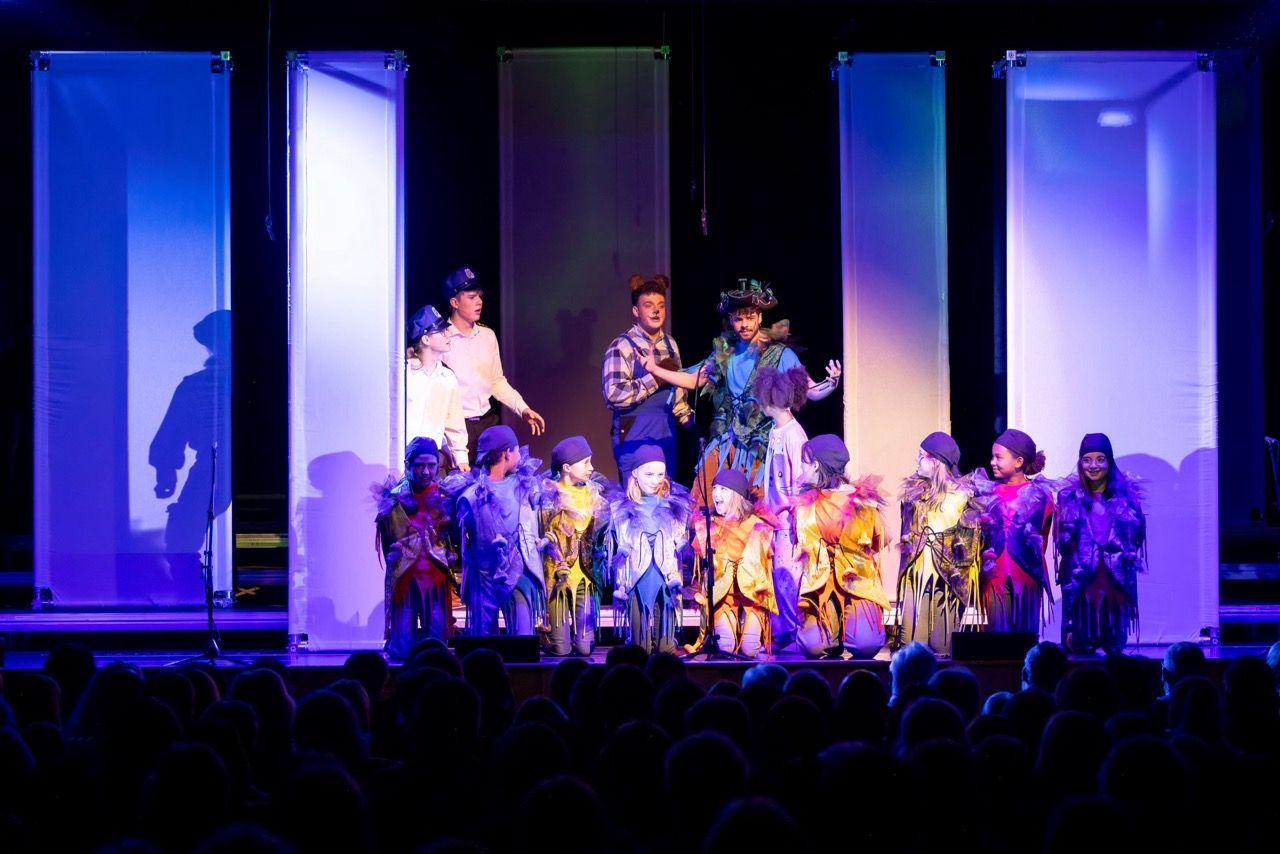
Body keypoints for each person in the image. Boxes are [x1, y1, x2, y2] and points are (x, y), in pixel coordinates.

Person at [639, 278, 841, 503]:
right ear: (731, 320)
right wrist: (654, 369)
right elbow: (694, 379)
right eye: (738, 319)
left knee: (756, 503)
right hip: (728, 438)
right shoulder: (726, 352)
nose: (744, 325)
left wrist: (830, 383)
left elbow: (811, 390)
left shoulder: (779, 354)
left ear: (760, 317)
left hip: (762, 443)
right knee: (704, 494)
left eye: (750, 318)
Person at [792, 434, 889, 658]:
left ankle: (852, 626)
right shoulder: (806, 505)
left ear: (816, 466)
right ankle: (831, 633)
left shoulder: (863, 502)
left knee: (866, 645)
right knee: (812, 647)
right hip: (822, 584)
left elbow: (882, 539)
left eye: (804, 463)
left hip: (858, 583)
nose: (802, 469)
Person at [439, 266, 545, 462]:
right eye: (472, 297)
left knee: (496, 475)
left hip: (487, 424)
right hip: (457, 427)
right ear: (454, 302)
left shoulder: (487, 336)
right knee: (460, 479)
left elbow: (496, 381)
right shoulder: (441, 339)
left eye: (479, 296)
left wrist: (522, 409)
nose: (479, 302)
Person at [1054, 433, 1146, 654]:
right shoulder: (1068, 497)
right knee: (1080, 642)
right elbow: (1062, 540)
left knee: (1113, 641)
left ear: (1109, 461)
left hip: (1114, 576)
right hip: (1082, 577)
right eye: (1087, 460)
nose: (1093, 466)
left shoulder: (1127, 499)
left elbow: (1136, 536)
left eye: (1100, 459)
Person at [600, 273, 693, 483]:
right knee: (636, 497)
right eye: (648, 305)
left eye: (661, 305)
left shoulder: (671, 344)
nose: (656, 310)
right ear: (636, 311)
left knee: (666, 495)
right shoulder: (622, 346)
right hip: (635, 434)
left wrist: (685, 417)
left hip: (665, 431)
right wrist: (654, 379)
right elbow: (613, 395)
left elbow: (678, 390)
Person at [896, 432, 983, 655]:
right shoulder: (914, 497)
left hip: (947, 580)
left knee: (942, 645)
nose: (916, 460)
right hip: (917, 576)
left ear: (935, 461)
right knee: (912, 643)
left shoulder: (963, 497)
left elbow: (968, 547)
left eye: (921, 455)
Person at [604, 443, 693, 654]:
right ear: (635, 473)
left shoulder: (674, 507)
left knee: (666, 649)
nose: (655, 480)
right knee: (640, 649)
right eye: (649, 474)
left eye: (660, 474)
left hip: (666, 579)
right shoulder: (621, 510)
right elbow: (620, 551)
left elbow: (680, 545)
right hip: (636, 579)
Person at [456, 424, 545, 636]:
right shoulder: (471, 497)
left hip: (519, 573)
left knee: (522, 636)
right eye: (517, 451)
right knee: (485, 639)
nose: (520, 456)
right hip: (485, 578)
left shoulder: (526, 487)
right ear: (506, 454)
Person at [374, 437, 455, 658]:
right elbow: (386, 540)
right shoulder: (393, 499)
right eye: (420, 465)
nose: (426, 472)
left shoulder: (445, 496)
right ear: (408, 465)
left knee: (436, 647)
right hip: (405, 580)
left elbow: (454, 538)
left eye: (431, 465)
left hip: (435, 579)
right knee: (402, 648)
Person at [687, 468, 777, 658]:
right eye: (714, 488)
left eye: (723, 489)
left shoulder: (757, 525)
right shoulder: (709, 526)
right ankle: (730, 627)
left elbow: (765, 571)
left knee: (750, 650)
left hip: (751, 598)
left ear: (737, 495)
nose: (716, 494)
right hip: (723, 598)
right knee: (725, 647)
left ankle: (745, 626)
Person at [754, 364, 811, 652]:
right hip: (775, 519)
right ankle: (782, 632)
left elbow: (800, 482)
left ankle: (793, 634)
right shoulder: (774, 432)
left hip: (789, 520)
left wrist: (787, 512)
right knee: (778, 576)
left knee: (789, 575)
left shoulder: (793, 434)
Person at [537, 435, 610, 656]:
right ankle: (547, 636)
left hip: (583, 579)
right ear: (567, 467)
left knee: (584, 649)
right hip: (557, 580)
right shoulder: (548, 497)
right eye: (586, 462)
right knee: (561, 649)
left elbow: (599, 534)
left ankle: (582, 638)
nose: (592, 468)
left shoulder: (593, 495)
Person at [979, 428, 1055, 633]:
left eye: (998, 457)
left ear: (1019, 461)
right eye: (992, 457)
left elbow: (1043, 539)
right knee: (995, 636)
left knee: (1025, 638)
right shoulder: (987, 494)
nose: (992, 462)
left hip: (1026, 577)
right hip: (994, 578)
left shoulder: (1040, 496)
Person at [405, 304, 468, 472]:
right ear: (426, 339)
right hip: (405, 459)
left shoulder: (448, 377)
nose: (447, 334)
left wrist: (461, 456)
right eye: (440, 331)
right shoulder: (405, 374)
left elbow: (454, 420)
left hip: (432, 461)